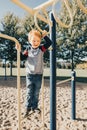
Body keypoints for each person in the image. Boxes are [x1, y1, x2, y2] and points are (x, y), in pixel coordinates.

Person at [21, 29, 52, 117]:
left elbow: (50, 43)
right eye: (34, 40)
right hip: (30, 74)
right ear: (29, 41)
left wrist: (45, 35)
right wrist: (19, 50)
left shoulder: (41, 48)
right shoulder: (28, 49)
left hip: (38, 74)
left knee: (36, 92)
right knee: (29, 91)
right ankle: (27, 107)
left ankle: (34, 107)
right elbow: (22, 57)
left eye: (38, 40)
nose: (36, 42)